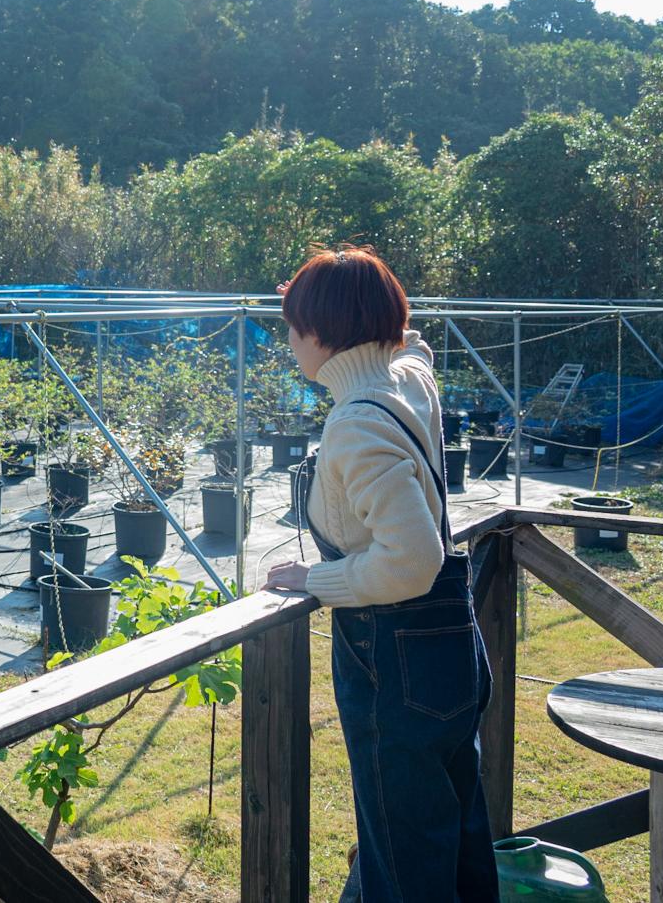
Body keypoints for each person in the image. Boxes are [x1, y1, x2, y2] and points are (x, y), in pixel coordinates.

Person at [265, 245, 498, 902]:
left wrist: (316, 581)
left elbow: (411, 561)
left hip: (393, 656)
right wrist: (381, 313)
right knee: (453, 840)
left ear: (320, 334)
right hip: (450, 650)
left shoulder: (356, 422)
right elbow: (415, 345)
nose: (287, 342)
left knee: (405, 865)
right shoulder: (408, 377)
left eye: (291, 326)